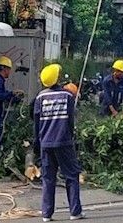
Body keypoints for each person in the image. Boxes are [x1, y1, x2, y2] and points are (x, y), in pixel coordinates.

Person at [34, 64, 83, 222]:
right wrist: (71, 136)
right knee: (71, 175)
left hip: (46, 143)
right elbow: (70, 120)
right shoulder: (67, 95)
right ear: (57, 79)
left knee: (48, 179)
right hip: (63, 142)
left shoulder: (40, 97)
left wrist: (37, 143)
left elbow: (36, 123)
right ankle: (74, 212)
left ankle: (46, 214)